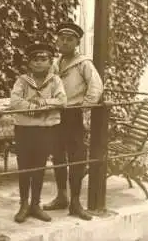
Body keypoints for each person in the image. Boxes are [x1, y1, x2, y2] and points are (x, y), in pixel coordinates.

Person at [43, 23, 104, 221]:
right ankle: (61, 196)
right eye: (61, 39)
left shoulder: (83, 63)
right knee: (58, 156)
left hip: (74, 115)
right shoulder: (56, 63)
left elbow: (96, 86)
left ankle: (75, 202)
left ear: (77, 42)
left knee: (76, 158)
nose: (65, 42)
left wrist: (85, 107)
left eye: (70, 39)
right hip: (57, 114)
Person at [10, 42, 67, 223]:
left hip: (45, 130)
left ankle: (35, 204)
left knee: (39, 166)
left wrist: (45, 104)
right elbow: (15, 101)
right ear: (29, 63)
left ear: (51, 62)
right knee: (24, 166)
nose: (39, 63)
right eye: (35, 59)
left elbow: (62, 100)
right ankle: (23, 204)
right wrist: (31, 107)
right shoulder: (22, 81)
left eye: (43, 59)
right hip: (24, 129)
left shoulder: (55, 81)